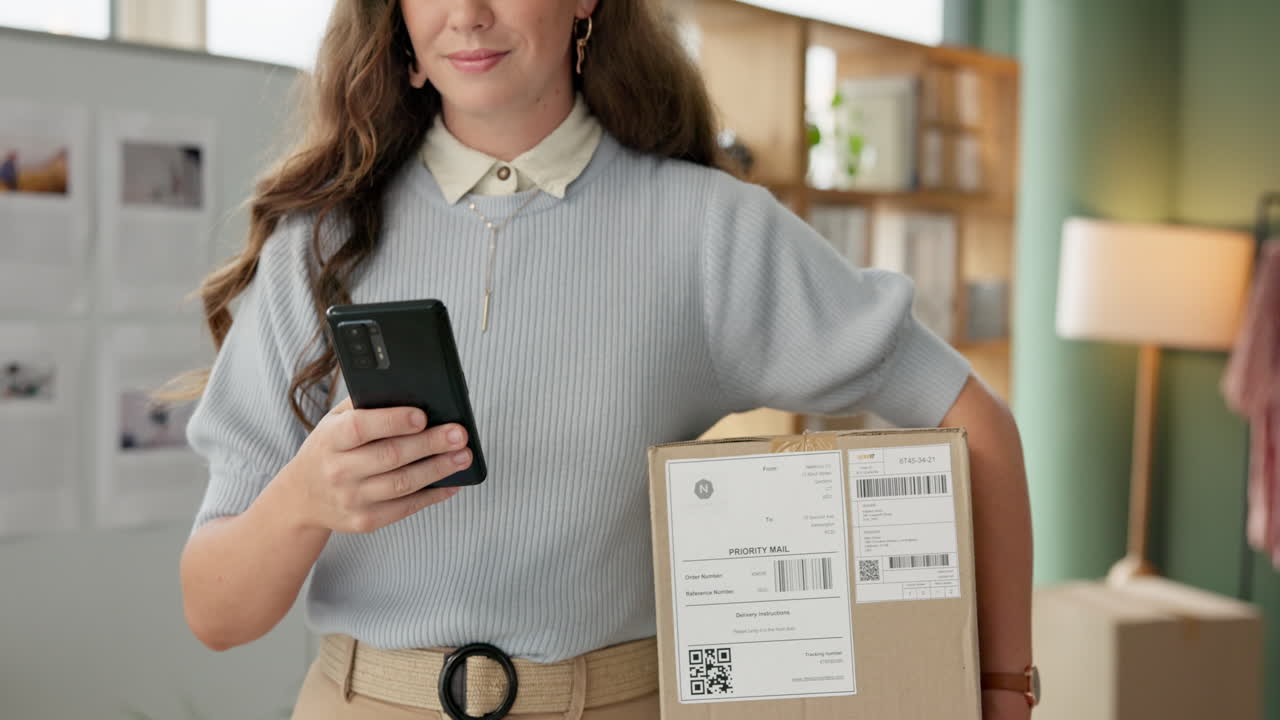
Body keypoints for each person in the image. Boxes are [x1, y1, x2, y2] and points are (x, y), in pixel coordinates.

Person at [177, 1, 1034, 719]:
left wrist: (1002, 688)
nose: (469, 14)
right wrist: (303, 499)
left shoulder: (710, 232)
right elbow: (214, 612)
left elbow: (976, 420)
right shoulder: (317, 245)